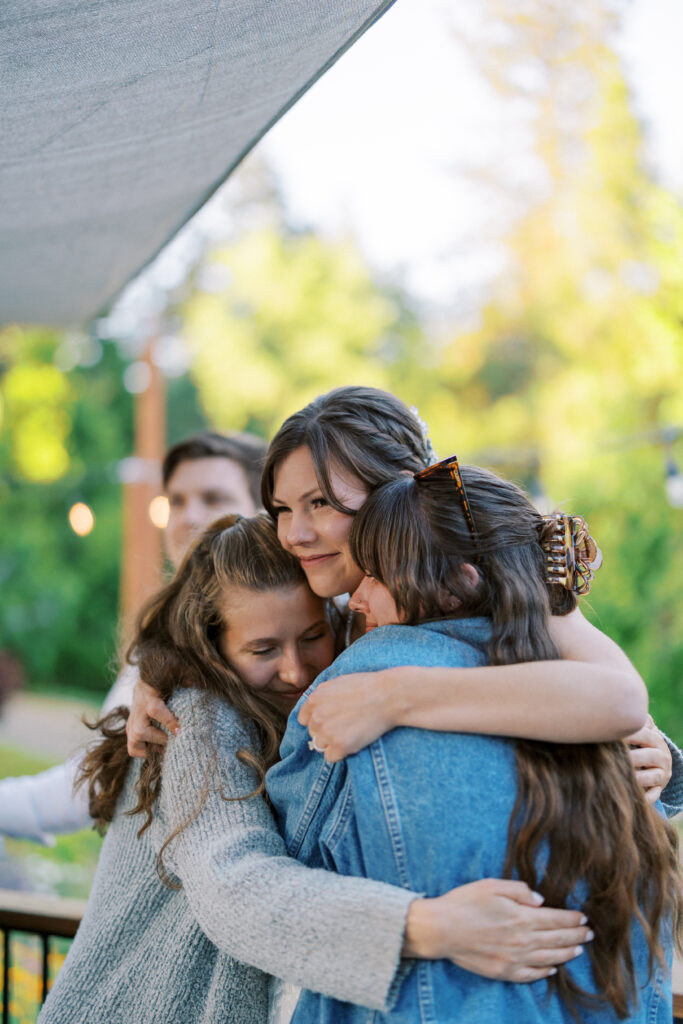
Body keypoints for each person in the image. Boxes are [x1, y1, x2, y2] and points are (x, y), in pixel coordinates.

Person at [128, 388, 682, 979]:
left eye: (320, 503)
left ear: (403, 490)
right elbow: (235, 873)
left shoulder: (474, 590)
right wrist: (165, 669)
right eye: (282, 508)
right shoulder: (285, 611)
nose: (294, 532)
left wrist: (398, 696)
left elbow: (617, 698)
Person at [38, 513, 581, 1024]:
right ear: (213, 645)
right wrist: (432, 927)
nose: (295, 668)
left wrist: (648, 754)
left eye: (312, 636)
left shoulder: (337, 691)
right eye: (263, 649)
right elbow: (233, 884)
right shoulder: (196, 716)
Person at [267, 458, 682, 1022]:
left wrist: (395, 695)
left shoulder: (368, 672)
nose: (356, 600)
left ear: (457, 584)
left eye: (375, 575)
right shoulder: (583, 693)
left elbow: (293, 848)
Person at [0, 430, 265, 846]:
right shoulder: (163, 642)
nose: (188, 516)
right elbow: (91, 781)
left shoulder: (295, 629)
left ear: (261, 513)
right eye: (176, 500)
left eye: (214, 499)